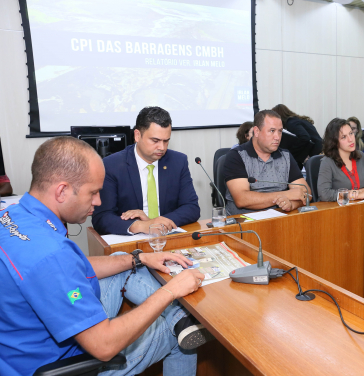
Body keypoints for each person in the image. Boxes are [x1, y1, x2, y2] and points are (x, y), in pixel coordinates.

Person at [0, 137, 209, 376]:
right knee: (178, 337)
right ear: (61, 191)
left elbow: (69, 266)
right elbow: (104, 345)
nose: (99, 201)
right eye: (93, 192)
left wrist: (139, 258)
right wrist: (171, 291)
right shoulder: (50, 255)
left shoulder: (13, 214)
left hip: (16, 350)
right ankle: (182, 321)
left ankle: (178, 316)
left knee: (123, 258)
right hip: (62, 363)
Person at [93, 106, 200, 235]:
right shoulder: (112, 165)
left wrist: (155, 223)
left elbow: (192, 208)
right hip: (131, 240)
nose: (161, 147)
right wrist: (140, 225)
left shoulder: (178, 161)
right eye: (155, 140)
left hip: (167, 236)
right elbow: (102, 217)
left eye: (166, 141)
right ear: (137, 135)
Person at [223, 110, 310, 215]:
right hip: (245, 222)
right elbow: (242, 199)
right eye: (272, 131)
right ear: (256, 131)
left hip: (279, 218)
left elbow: (306, 193)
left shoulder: (285, 156)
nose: (277, 137)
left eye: (280, 131)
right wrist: (287, 194)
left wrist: (292, 204)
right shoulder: (236, 156)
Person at [317, 118, 364, 202]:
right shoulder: (327, 162)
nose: (350, 139)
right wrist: (350, 195)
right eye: (344, 137)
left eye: (351, 133)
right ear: (334, 142)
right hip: (339, 210)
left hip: (363, 206)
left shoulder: (361, 156)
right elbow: (324, 194)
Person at [271, 104, 323, 169]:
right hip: (319, 153)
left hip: (315, 155)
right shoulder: (299, 120)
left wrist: (291, 151)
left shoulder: (291, 122)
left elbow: (305, 137)